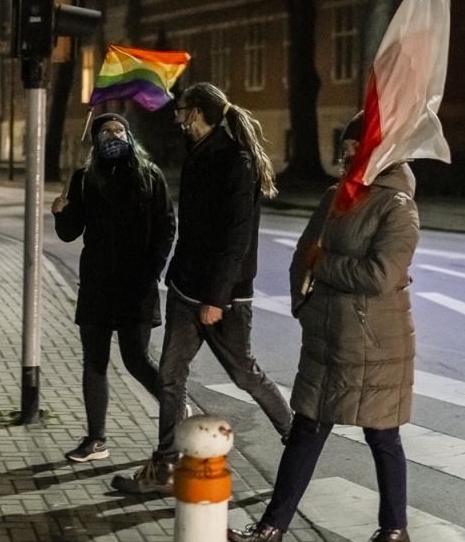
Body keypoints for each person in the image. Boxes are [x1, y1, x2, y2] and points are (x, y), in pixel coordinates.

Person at [228, 114, 418, 542]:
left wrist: (324, 263)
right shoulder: (337, 196)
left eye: (353, 146)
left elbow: (380, 275)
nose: (345, 153)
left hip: (375, 343)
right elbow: (302, 255)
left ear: (374, 150)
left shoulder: (398, 206)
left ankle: (394, 530)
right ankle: (272, 529)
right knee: (307, 428)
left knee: (382, 434)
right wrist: (303, 304)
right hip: (326, 336)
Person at [114, 83, 294, 494]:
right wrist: (176, 275)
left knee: (244, 374)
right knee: (170, 377)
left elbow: (237, 239)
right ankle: (164, 467)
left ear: (197, 113)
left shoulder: (236, 161)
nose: (177, 118)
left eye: (181, 111)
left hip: (222, 297)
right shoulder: (197, 154)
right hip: (185, 288)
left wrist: (217, 298)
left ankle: (296, 440)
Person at [52, 112, 175, 463]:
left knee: (136, 359)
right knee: (95, 361)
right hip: (96, 284)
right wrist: (61, 211)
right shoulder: (83, 179)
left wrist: (153, 268)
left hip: (136, 285)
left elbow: (167, 225)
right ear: (95, 140)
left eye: (120, 129)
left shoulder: (149, 176)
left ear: (130, 136)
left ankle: (174, 414)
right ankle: (96, 440)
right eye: (106, 131)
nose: (113, 135)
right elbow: (68, 233)